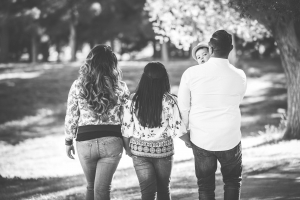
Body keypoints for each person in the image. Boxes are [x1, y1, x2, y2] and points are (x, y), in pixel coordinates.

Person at [178, 30, 247, 200]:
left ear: (210, 47)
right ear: (230, 48)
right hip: (229, 138)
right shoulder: (240, 75)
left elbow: (183, 107)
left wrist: (183, 134)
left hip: (201, 138)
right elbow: (237, 100)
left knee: (205, 186)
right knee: (232, 182)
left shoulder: (191, 74)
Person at [64, 44, 130, 200]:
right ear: (112, 64)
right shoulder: (120, 87)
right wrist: (127, 144)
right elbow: (127, 119)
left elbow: (71, 115)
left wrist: (68, 141)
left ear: (89, 63)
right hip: (112, 141)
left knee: (91, 186)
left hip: (85, 143)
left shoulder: (78, 85)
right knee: (102, 189)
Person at [122, 62, 192, 200]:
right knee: (163, 190)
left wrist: (127, 149)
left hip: (139, 152)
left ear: (144, 79)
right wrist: (189, 142)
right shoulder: (170, 101)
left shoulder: (132, 100)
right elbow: (177, 128)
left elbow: (126, 129)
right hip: (163, 152)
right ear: (164, 79)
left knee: (147, 193)